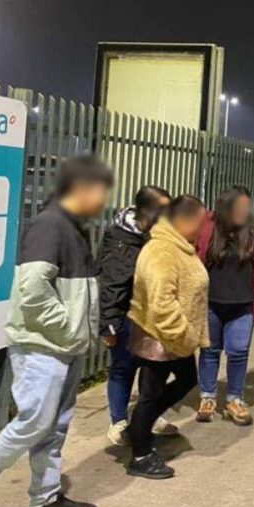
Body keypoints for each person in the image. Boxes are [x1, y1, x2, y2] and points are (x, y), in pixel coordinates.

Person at [0, 154, 112, 507]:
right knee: (36, 422)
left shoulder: (74, 228)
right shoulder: (51, 226)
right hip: (42, 345)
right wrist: (68, 328)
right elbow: (31, 289)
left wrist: (74, 333)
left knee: (54, 425)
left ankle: (45, 498)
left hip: (63, 345)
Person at [125, 196, 210, 479]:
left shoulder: (178, 247)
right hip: (160, 338)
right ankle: (140, 454)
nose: (202, 228)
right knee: (150, 395)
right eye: (199, 222)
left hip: (173, 339)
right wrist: (184, 336)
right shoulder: (162, 250)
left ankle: (140, 428)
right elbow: (162, 303)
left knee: (185, 381)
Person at [97, 185, 177, 446]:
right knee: (123, 367)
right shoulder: (120, 238)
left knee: (152, 367)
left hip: (152, 313)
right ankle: (118, 421)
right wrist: (108, 323)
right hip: (126, 315)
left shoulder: (155, 235)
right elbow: (111, 282)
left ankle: (147, 415)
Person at [196, 185, 254, 426]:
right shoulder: (207, 227)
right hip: (211, 303)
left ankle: (234, 399)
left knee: (238, 352)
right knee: (209, 351)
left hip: (243, 305)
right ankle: (207, 398)